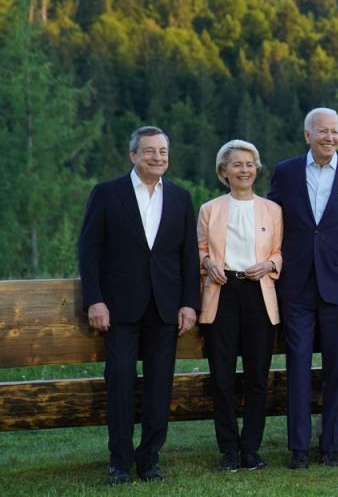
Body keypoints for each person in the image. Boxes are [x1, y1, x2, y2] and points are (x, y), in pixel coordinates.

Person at [78, 126, 200, 485]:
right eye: (150, 151)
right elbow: (89, 252)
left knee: (159, 386)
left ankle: (149, 460)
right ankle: (119, 462)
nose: (158, 157)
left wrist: (189, 304)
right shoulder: (106, 194)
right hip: (118, 309)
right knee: (119, 382)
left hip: (165, 309)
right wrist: (94, 300)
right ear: (133, 155)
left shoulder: (180, 197)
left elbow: (188, 257)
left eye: (163, 151)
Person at [268, 108, 338, 469]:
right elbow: (269, 224)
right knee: (297, 367)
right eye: (322, 131)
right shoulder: (285, 173)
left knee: (335, 369)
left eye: (335, 132)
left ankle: (331, 447)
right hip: (295, 287)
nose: (330, 137)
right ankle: (298, 449)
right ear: (307, 135)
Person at [197, 139, 283, 471]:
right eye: (237, 164)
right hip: (222, 293)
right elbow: (199, 250)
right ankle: (228, 450)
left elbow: (278, 252)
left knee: (257, 377)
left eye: (250, 164)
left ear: (257, 169)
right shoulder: (210, 209)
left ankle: (251, 449)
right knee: (222, 377)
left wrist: (270, 265)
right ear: (224, 171)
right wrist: (207, 263)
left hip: (258, 294)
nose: (244, 170)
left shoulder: (272, 210)